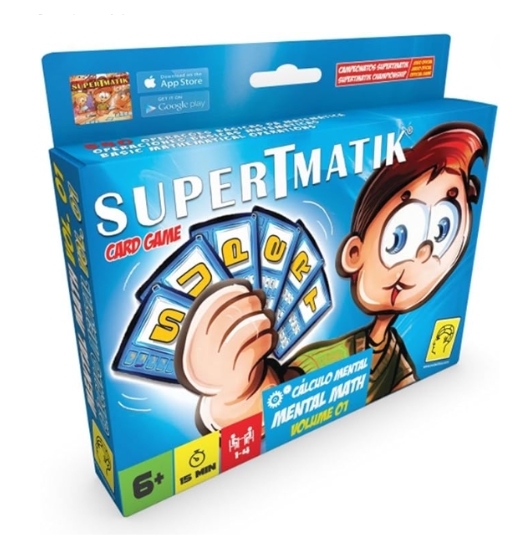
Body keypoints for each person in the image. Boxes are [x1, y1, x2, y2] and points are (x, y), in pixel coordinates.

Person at [175, 122, 488, 433]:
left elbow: (407, 386)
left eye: (442, 231)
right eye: (399, 237)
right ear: (354, 253)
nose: (422, 255)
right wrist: (235, 396)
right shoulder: (334, 356)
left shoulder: (393, 349)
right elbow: (276, 400)